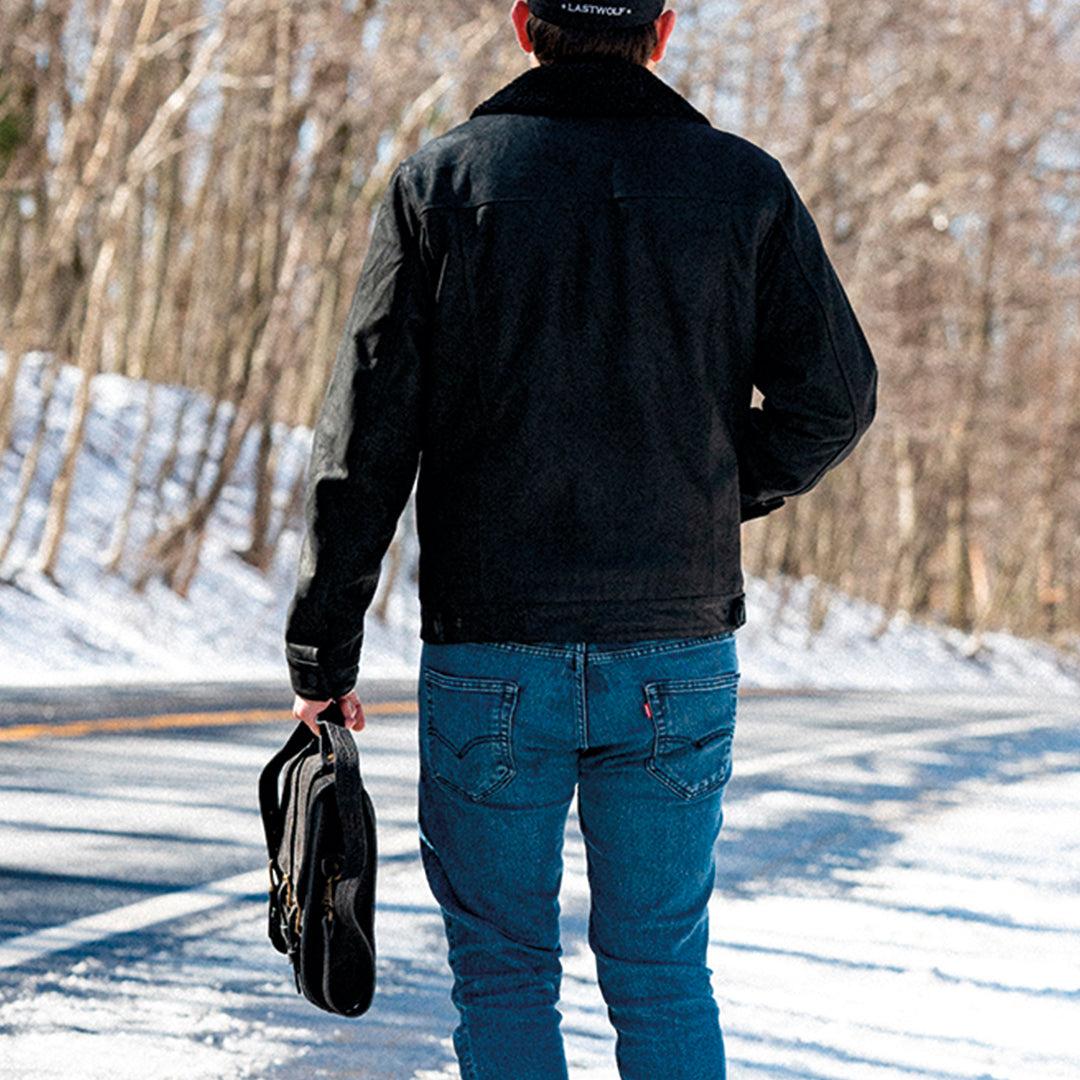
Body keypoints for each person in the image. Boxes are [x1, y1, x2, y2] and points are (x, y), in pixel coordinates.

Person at [285, 2, 876, 1077]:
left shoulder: (442, 185)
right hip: (676, 653)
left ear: (524, 25)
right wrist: (697, 490)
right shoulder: (743, 186)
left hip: (489, 653)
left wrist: (321, 652)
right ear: (660, 33)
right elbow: (834, 398)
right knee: (660, 974)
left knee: (505, 972)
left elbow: (365, 438)